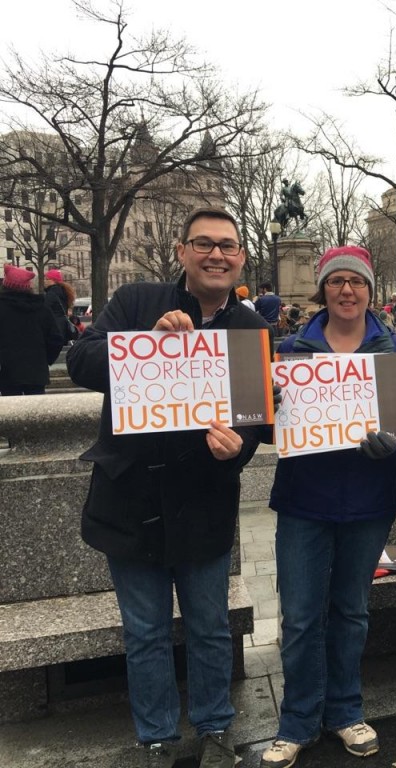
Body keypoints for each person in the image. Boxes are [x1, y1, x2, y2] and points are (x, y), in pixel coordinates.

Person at [66, 207, 272, 768]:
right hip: (129, 498)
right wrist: (141, 343)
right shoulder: (138, 301)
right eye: (204, 243)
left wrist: (243, 445)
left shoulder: (250, 328)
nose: (216, 255)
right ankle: (155, 737)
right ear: (181, 252)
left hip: (202, 500)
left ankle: (214, 730)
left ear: (241, 258)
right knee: (145, 632)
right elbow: (81, 359)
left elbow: (255, 416)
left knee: (210, 628)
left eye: (228, 246)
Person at [261, 246, 396, 768]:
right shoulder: (291, 351)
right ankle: (298, 720)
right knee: (301, 615)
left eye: (356, 281)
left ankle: (346, 711)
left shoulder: (394, 350)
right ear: (322, 289)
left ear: (370, 290)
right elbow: (267, 429)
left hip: (368, 501)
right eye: (336, 282)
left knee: (350, 612)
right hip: (305, 500)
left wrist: (393, 445)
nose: (347, 290)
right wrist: (272, 412)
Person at [0, 264, 64, 395]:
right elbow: (56, 339)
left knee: (11, 413)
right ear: (28, 287)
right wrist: (44, 360)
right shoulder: (42, 308)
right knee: (37, 413)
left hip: (7, 372)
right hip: (36, 372)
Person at [44, 268, 77, 343]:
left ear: (53, 281)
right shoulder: (63, 292)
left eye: (46, 279)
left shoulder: (51, 294)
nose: (44, 281)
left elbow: (45, 309)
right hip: (63, 326)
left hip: (54, 328)